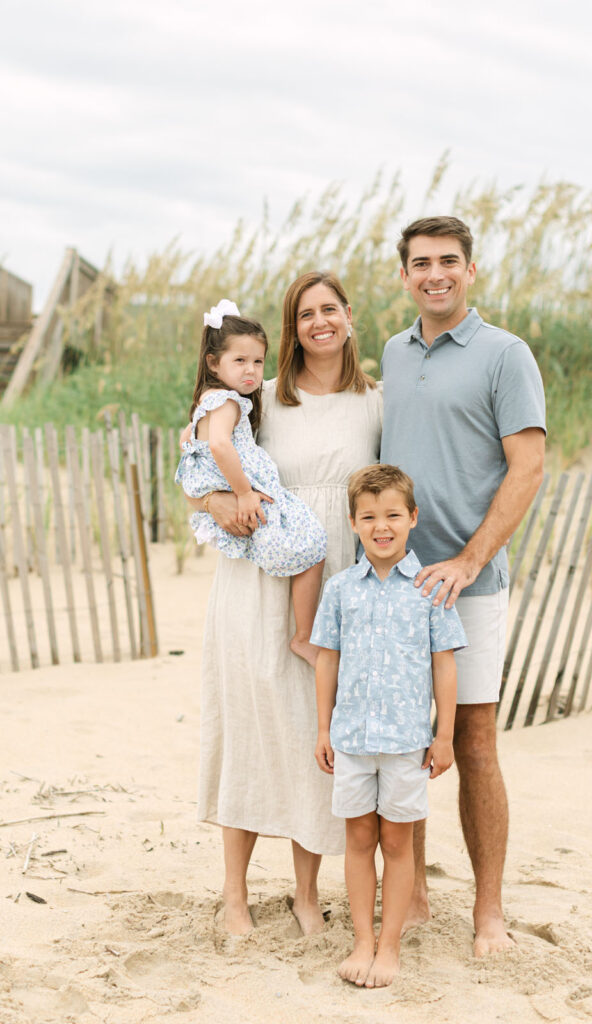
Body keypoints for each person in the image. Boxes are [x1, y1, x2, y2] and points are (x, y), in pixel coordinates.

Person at [185, 272, 382, 936]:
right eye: (305, 314)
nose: (318, 322)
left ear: (349, 318)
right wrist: (220, 503)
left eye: (329, 310)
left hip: (330, 581)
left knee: (309, 734)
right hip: (254, 577)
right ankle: (234, 896)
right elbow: (199, 474)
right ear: (291, 328)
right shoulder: (258, 396)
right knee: (246, 724)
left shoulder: (373, 404)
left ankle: (305, 893)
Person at [381, 215, 546, 956]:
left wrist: (471, 560)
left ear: (470, 271)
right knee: (402, 737)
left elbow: (527, 467)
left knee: (474, 742)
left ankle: (488, 913)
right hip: (397, 586)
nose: (434, 274)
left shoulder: (504, 355)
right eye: (421, 263)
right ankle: (411, 892)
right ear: (406, 274)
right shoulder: (391, 351)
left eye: (448, 261)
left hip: (468, 587)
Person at [312, 464, 466, 987]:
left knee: (398, 843)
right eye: (370, 516)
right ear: (353, 522)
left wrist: (444, 735)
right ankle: (362, 940)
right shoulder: (339, 590)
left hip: (406, 744)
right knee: (358, 837)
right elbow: (326, 660)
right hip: (352, 739)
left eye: (393, 515)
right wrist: (322, 730)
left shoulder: (430, 589)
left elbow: (445, 663)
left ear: (412, 518)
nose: (382, 526)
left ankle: (390, 946)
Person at [175, 299, 326, 667]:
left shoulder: (208, 402)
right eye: (239, 361)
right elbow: (220, 444)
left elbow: (188, 441)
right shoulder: (226, 401)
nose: (251, 371)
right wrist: (243, 492)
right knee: (313, 545)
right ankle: (304, 636)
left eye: (258, 362)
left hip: (235, 489)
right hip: (248, 492)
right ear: (214, 363)